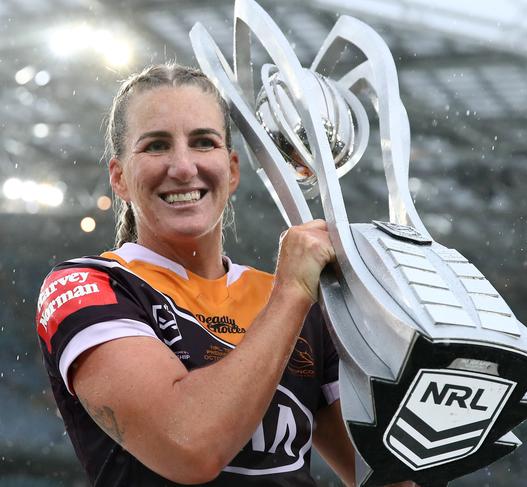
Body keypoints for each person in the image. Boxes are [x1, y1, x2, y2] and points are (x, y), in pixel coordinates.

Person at [35, 63, 357, 486]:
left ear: (233, 168)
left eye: (203, 142)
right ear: (119, 178)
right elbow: (190, 446)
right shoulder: (87, 286)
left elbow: (381, 472)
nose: (184, 167)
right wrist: (293, 292)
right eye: (156, 146)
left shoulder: (289, 300)